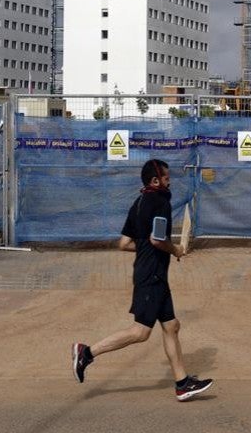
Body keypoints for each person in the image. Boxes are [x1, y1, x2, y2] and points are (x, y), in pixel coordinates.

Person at [72, 158, 213, 401]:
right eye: (167, 178)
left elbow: (124, 244)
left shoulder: (138, 203)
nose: (170, 182)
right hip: (152, 276)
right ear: (155, 180)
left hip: (152, 273)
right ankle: (87, 352)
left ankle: (182, 383)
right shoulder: (160, 202)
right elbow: (158, 240)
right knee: (140, 332)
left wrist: (148, 249)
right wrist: (177, 250)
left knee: (171, 326)